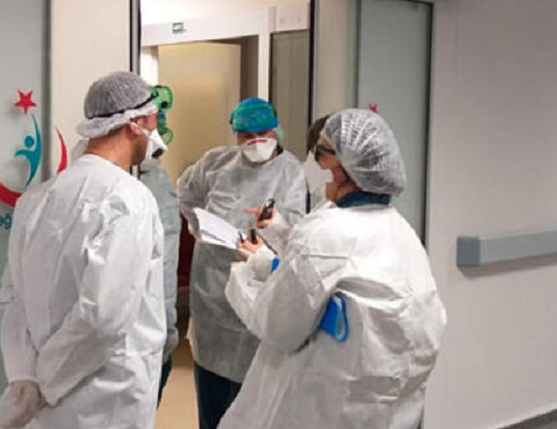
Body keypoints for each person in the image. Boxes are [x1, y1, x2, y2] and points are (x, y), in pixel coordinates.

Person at [219, 109, 447, 429]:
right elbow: (328, 274)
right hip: (388, 414)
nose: (313, 164)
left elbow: (277, 325)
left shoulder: (326, 232)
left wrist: (244, 276)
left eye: (320, 155)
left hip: (322, 408)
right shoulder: (401, 231)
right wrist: (274, 255)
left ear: (342, 169)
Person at [0, 71, 167, 429]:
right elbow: (103, 317)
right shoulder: (128, 199)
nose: (156, 135)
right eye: (153, 123)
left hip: (41, 403)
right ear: (133, 125)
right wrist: (45, 382)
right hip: (106, 400)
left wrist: (25, 378)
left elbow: (10, 297)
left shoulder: (37, 199)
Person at [176, 97, 307, 429]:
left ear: (276, 131)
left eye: (263, 134)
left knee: (255, 406)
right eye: (247, 136)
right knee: (213, 402)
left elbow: (294, 235)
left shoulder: (291, 172)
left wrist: (272, 231)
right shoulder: (216, 163)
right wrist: (201, 227)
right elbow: (187, 194)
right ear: (235, 134)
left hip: (259, 291)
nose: (256, 142)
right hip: (212, 293)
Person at [138, 85, 180, 403]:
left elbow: (166, 260)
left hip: (160, 327)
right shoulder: (118, 187)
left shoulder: (159, 181)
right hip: (134, 337)